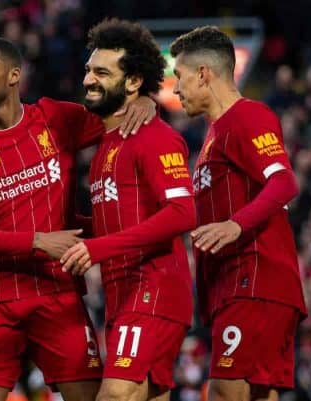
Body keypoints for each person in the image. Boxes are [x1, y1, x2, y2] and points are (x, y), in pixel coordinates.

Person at [0, 37, 155, 401]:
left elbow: (116, 116)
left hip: (56, 293)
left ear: (13, 75)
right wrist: (38, 240)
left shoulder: (55, 119)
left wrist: (142, 99)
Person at [60, 19, 196, 401]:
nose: (89, 79)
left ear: (134, 82)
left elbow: (183, 212)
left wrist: (96, 250)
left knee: (115, 395)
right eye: (89, 69)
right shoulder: (106, 144)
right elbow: (116, 220)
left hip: (152, 291)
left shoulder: (155, 137)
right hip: (123, 296)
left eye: (102, 72)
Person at [169, 27, 307, 401]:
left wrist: (235, 225)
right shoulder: (216, 133)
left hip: (254, 280)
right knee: (256, 395)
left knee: (224, 391)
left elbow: (283, 183)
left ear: (203, 74)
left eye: (179, 77)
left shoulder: (247, 117)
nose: (175, 88)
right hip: (237, 287)